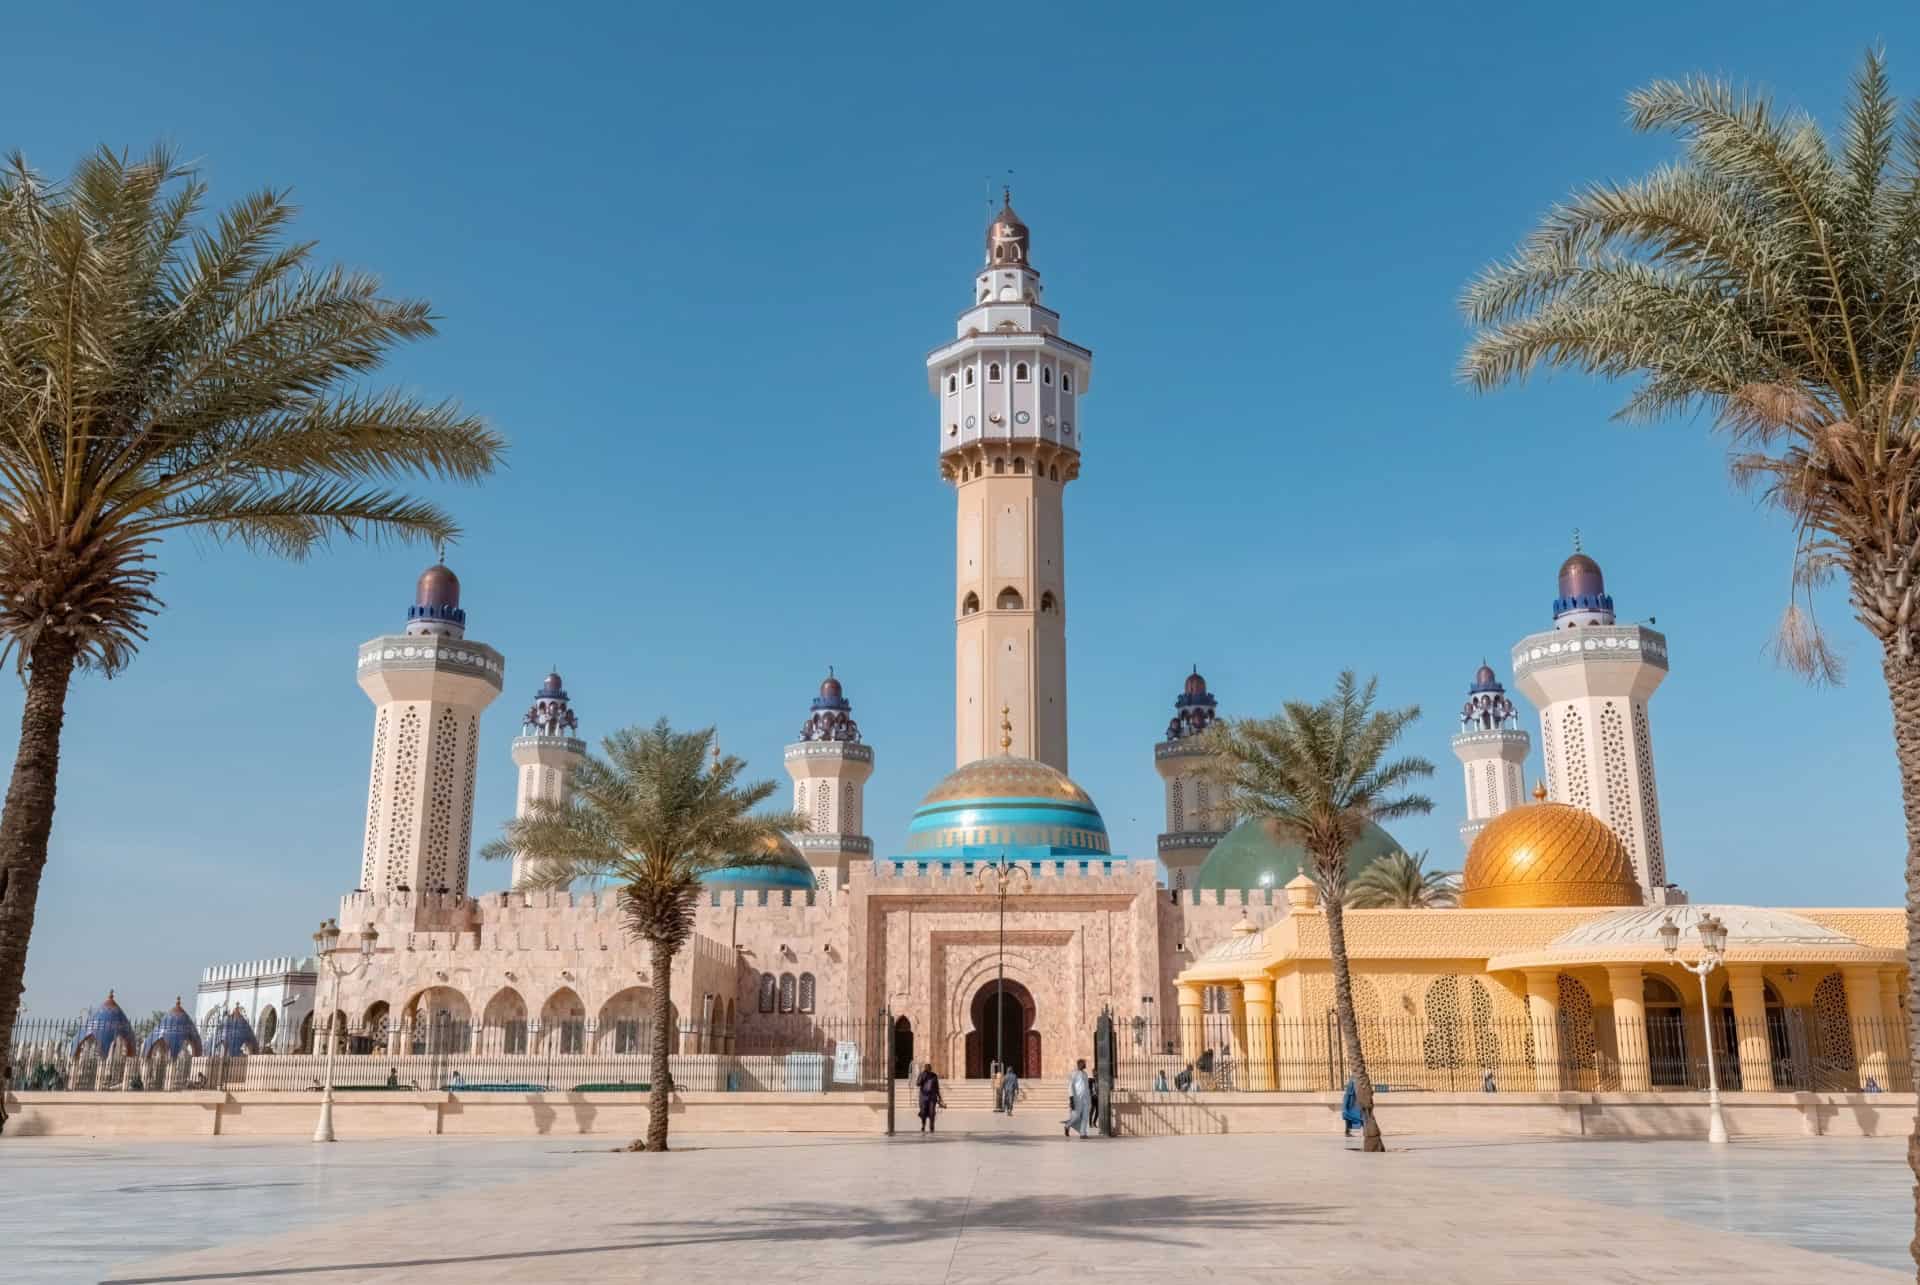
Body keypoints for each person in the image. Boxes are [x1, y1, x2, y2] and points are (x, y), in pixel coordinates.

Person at [1063, 1058, 1092, 1138]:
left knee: (1085, 1116)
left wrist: (1089, 1098)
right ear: (1079, 1064)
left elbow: (1086, 1087)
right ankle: (1067, 1126)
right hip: (1077, 1099)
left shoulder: (1085, 1074)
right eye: (1083, 1063)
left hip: (1086, 1098)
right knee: (1076, 1116)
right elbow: (1070, 1086)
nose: (1085, 1065)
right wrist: (1071, 1098)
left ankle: (1083, 1133)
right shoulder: (1074, 1073)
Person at [917, 1062, 945, 1133]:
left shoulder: (934, 1076)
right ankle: (923, 1124)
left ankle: (931, 1126)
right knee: (923, 1112)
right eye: (927, 1068)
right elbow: (918, 1084)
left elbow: (937, 1087)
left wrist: (940, 1098)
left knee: (932, 1112)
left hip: (932, 1097)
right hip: (923, 1097)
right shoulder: (922, 1075)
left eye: (929, 1068)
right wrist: (923, 1076)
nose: (928, 1070)